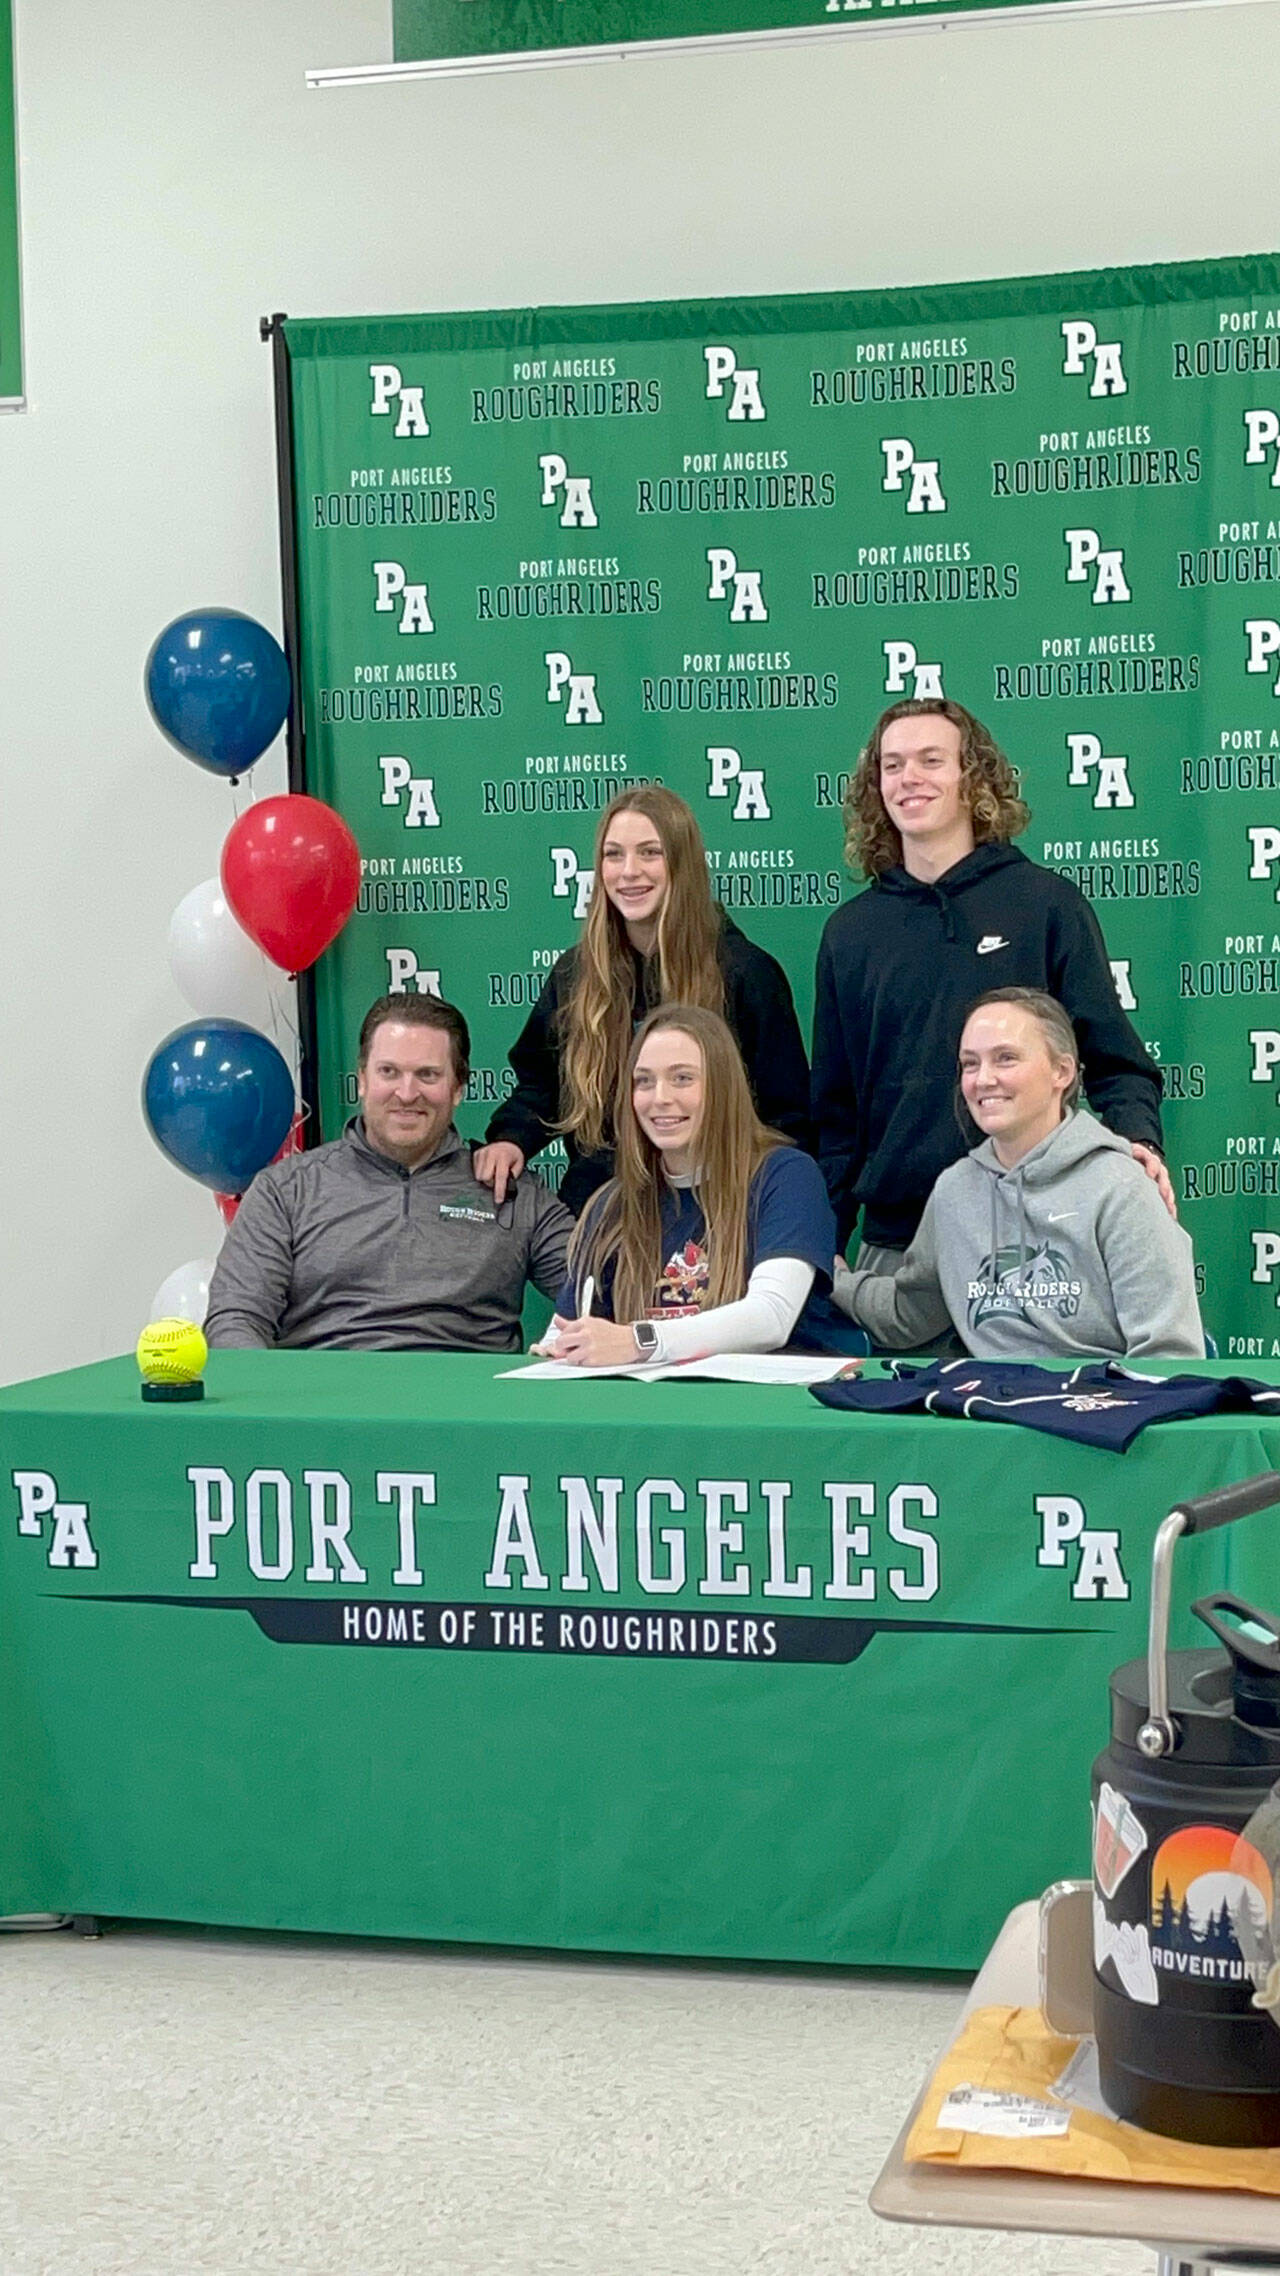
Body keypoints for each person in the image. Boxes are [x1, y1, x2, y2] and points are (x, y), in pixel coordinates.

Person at [811, 699, 1170, 1282]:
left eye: (932, 760)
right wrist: (819, 1244)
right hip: (897, 1249)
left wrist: (1139, 1147)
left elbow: (1116, 1063)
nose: (910, 779)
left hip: (1040, 1234)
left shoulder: (1045, 905)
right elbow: (835, 1117)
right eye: (893, 765)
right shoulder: (850, 933)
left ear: (971, 779)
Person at [474, 786, 812, 1218]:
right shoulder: (576, 975)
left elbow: (786, 1122)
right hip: (600, 1208)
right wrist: (510, 1138)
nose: (629, 871)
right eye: (614, 855)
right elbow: (543, 1085)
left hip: (716, 1214)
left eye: (649, 853)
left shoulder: (746, 974)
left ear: (682, 864)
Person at [832, 989, 1204, 1360]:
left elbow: (1168, 1356)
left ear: (1062, 1071)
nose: (983, 1080)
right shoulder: (955, 1189)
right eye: (970, 1064)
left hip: (1096, 1410)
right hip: (992, 1408)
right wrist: (826, 1275)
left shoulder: (1121, 1188)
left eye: (1005, 1059)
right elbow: (910, 1314)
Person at [204, 995, 572, 1353]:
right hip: (327, 1404)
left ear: (458, 1088)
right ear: (362, 1079)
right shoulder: (285, 1190)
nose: (407, 1093)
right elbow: (236, 1318)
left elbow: (602, 1291)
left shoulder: (513, 1191)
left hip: (471, 1406)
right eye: (389, 1072)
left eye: (427, 1075)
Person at [541, 1005, 864, 1368]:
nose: (660, 1097)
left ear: (722, 1088)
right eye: (644, 1080)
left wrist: (640, 1340)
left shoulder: (786, 1177)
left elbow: (772, 1317)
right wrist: (561, 1347)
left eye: (682, 1078)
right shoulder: (613, 1203)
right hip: (655, 1413)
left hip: (774, 1411)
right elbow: (562, 1328)